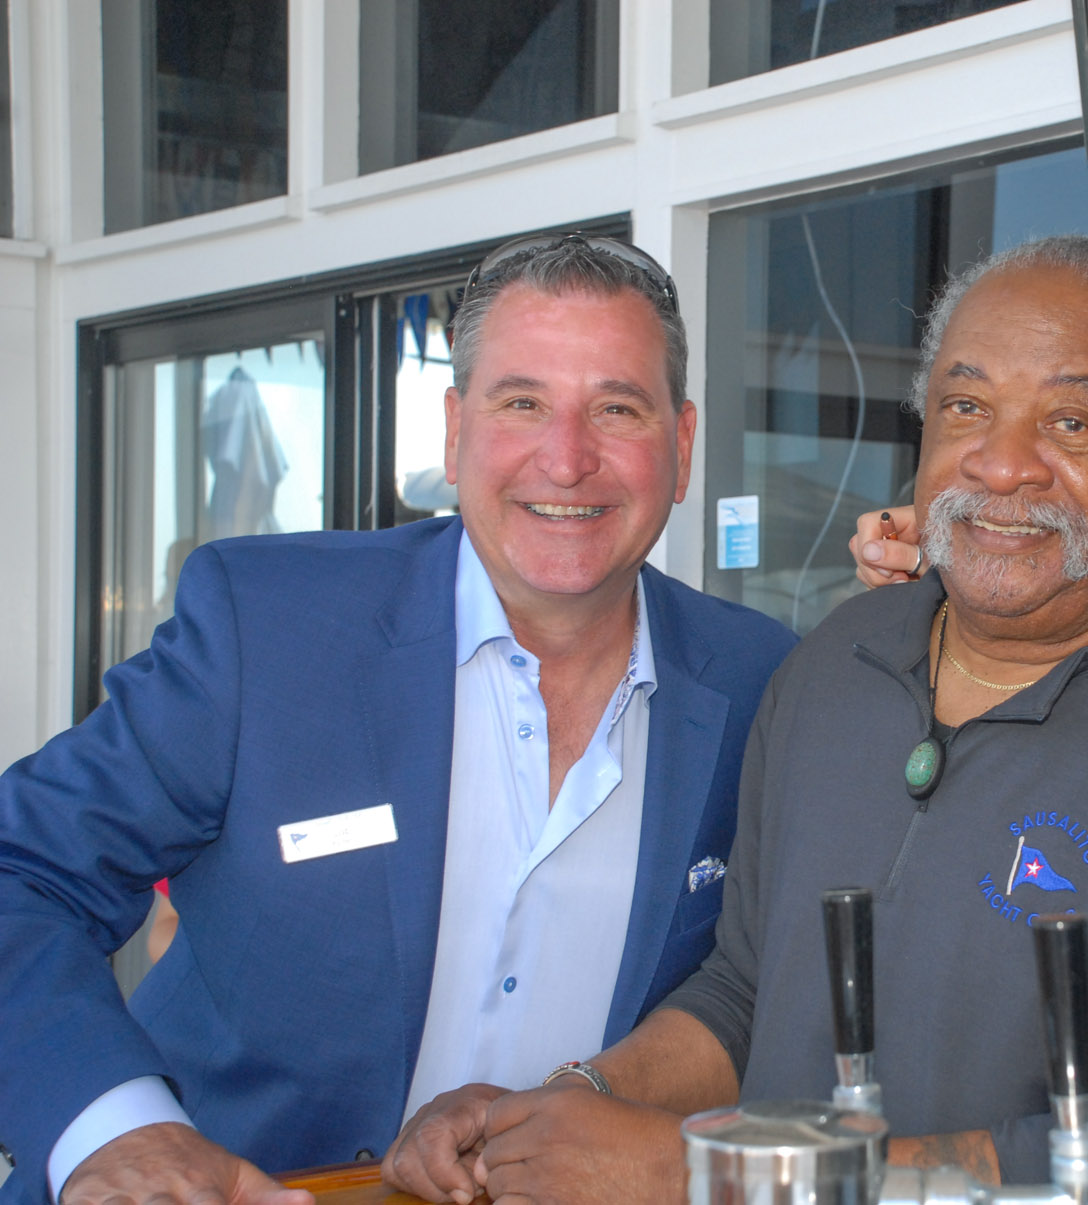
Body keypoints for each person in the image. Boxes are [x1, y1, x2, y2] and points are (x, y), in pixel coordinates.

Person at [386, 235, 1088, 1205]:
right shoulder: (833, 665)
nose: (1003, 464)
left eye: (1069, 421)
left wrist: (704, 1176)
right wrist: (567, 1104)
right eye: (966, 407)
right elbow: (748, 991)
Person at [0, 235, 796, 1205]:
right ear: (455, 432)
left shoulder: (760, 680)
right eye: (522, 402)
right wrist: (118, 1131)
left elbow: (756, 983)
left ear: (683, 444)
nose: (567, 457)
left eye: (616, 408)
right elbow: (21, 870)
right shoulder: (269, 627)